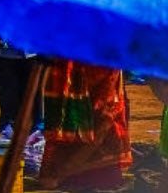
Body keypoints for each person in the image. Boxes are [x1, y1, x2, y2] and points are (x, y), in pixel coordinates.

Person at [38, 61, 131, 190]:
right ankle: (67, 171)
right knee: (77, 110)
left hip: (97, 63)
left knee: (103, 110)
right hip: (74, 63)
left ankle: (69, 171)